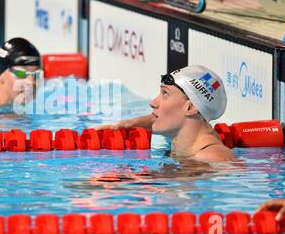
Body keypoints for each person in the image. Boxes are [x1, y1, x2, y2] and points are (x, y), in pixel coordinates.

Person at [96, 65, 235, 163]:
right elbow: (155, 120)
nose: (153, 102)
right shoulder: (191, 141)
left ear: (190, 107)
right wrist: (127, 124)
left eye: (165, 94)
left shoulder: (212, 156)